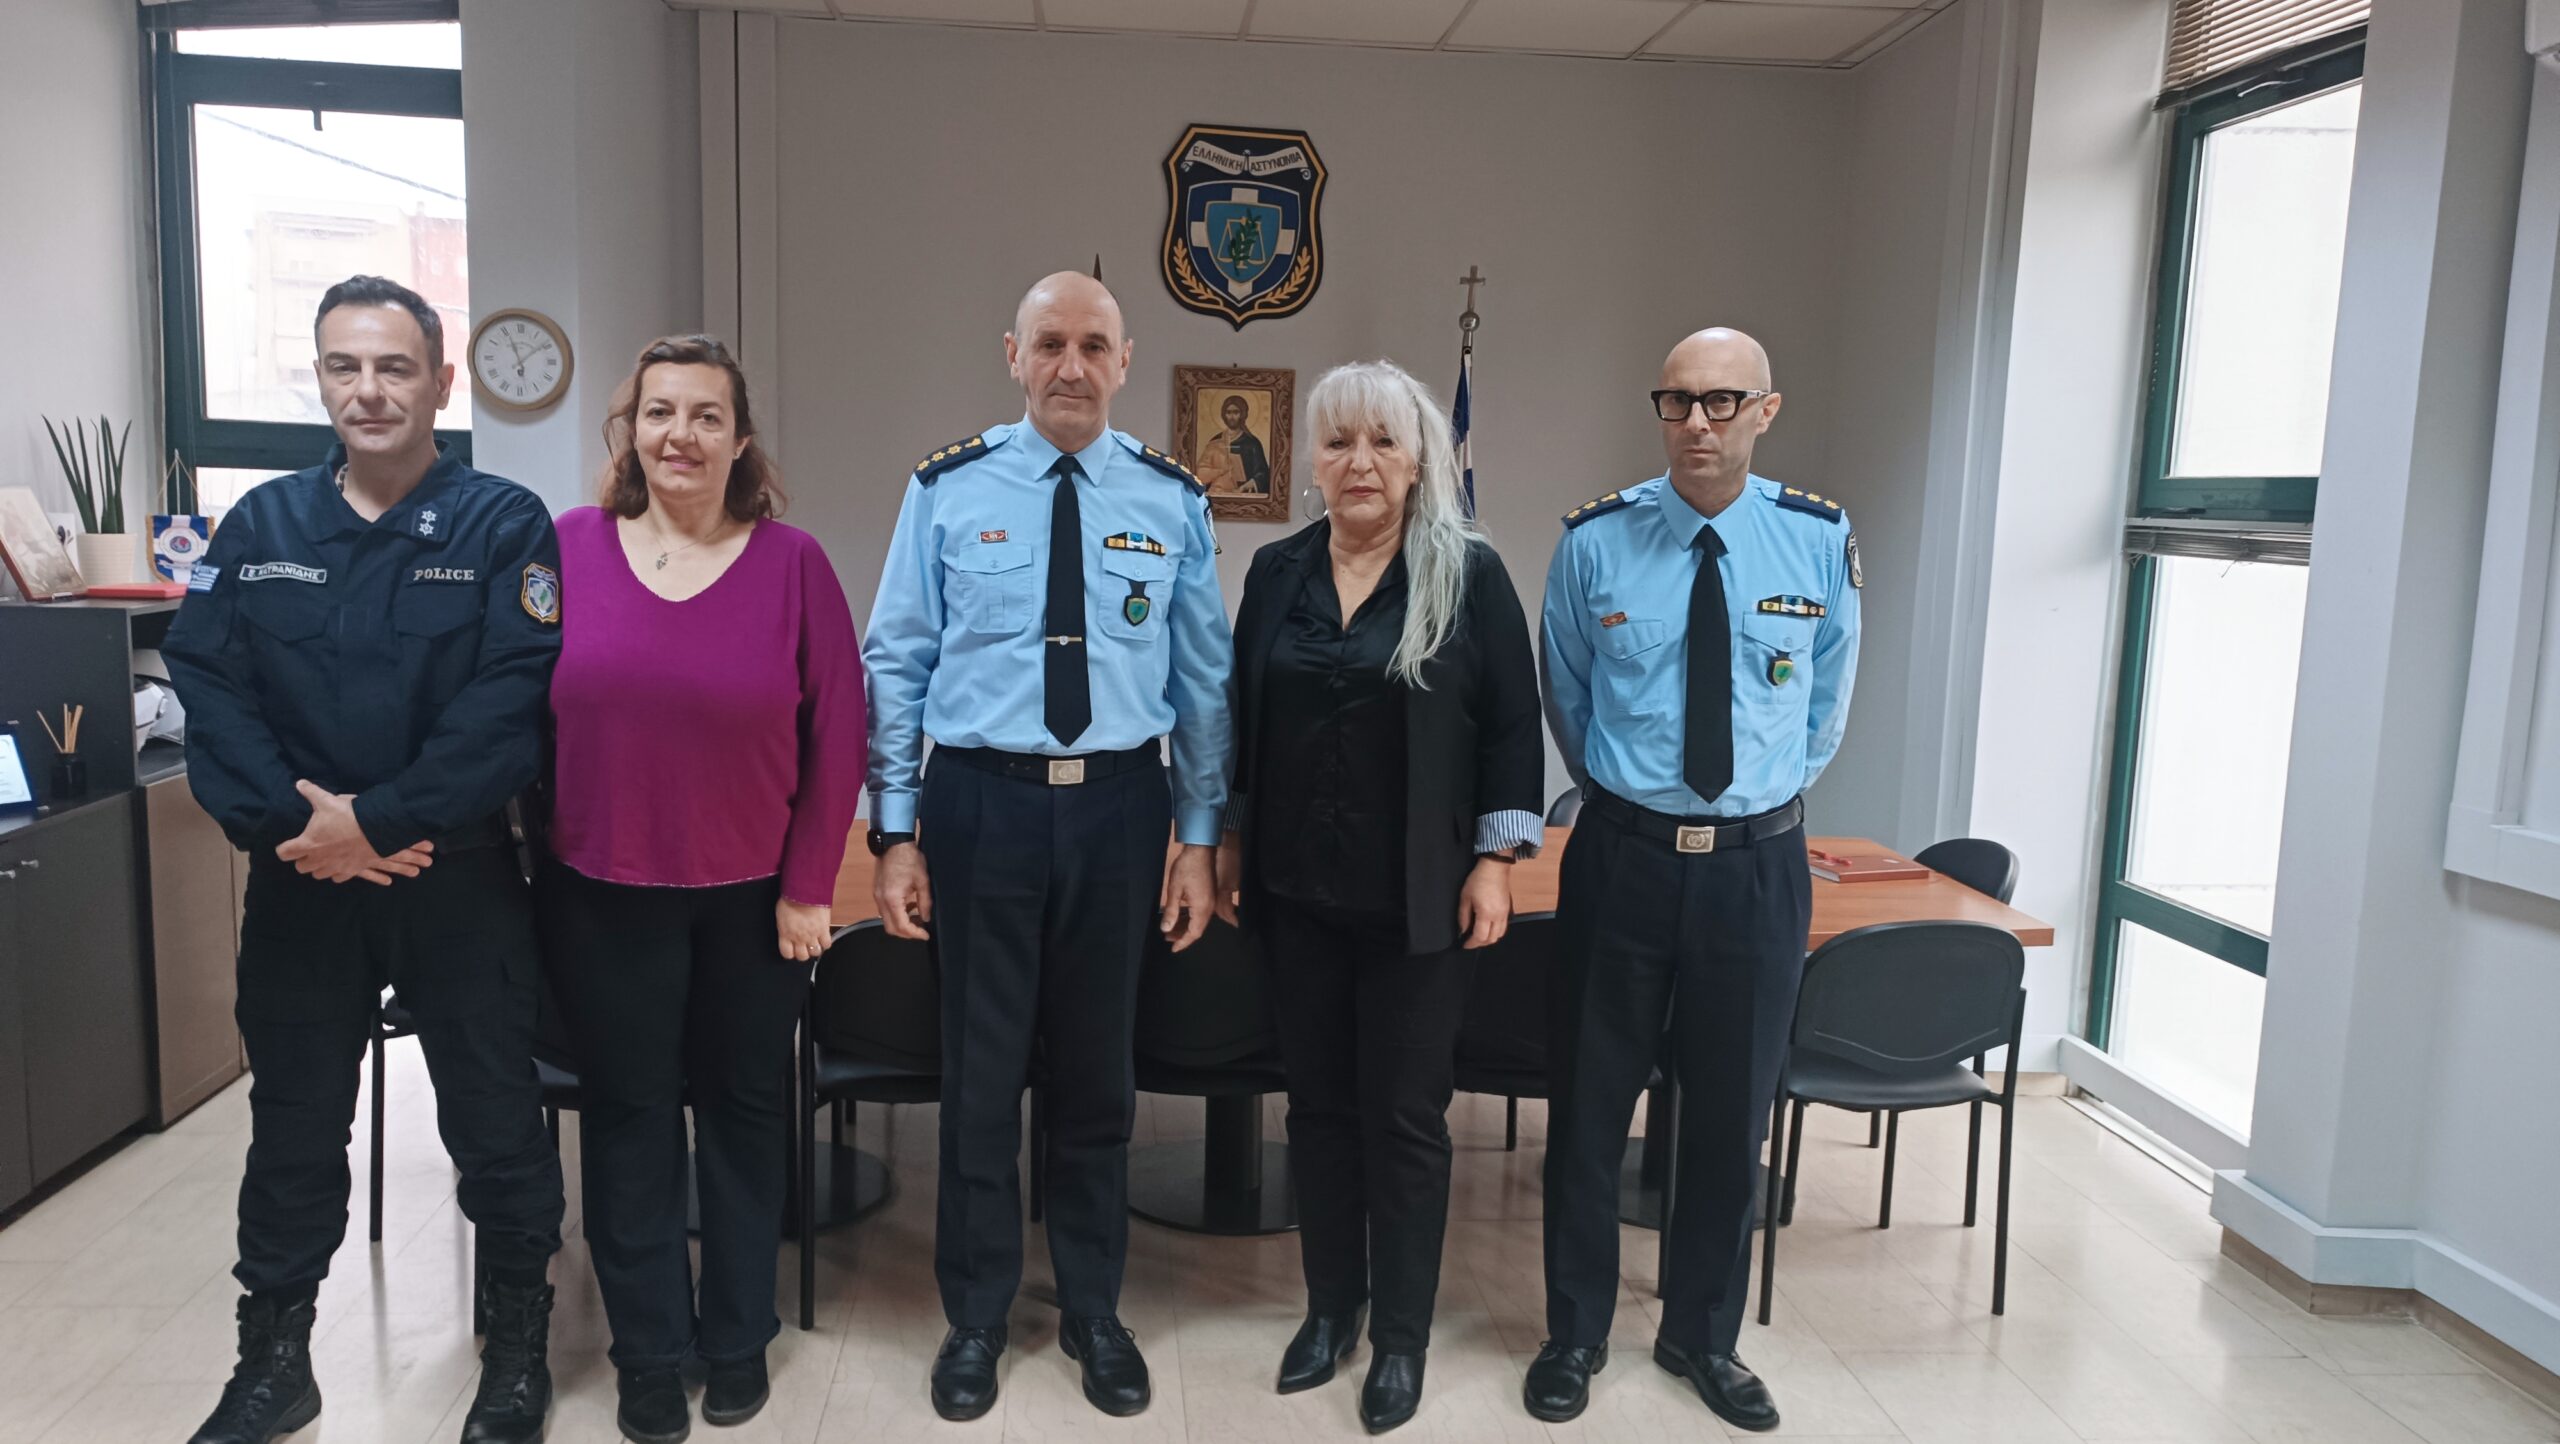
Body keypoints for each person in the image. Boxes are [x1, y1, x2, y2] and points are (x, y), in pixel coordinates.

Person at [162, 275, 565, 1444]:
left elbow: (508, 707)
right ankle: (274, 1359)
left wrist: (377, 823)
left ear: (441, 382)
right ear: (321, 378)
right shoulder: (261, 527)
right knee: (294, 1123)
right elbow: (209, 686)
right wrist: (301, 832)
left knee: (495, 1118)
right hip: (300, 883)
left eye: (394, 366)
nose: (369, 389)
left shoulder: (503, 524)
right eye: (345, 366)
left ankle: (517, 1349)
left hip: (457, 878)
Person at [862, 271, 1234, 1422]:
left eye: (1093, 345)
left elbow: (1203, 681)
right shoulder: (946, 488)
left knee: (1095, 1074)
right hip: (981, 802)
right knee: (979, 1078)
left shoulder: (1171, 498)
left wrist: (1198, 834)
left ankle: (1092, 1308)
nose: (1072, 366)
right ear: (1012, 355)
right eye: (1050, 343)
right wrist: (893, 830)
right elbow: (895, 661)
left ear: (1125, 362)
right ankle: (976, 1315)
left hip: (1121, 805)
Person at [1527, 328, 1860, 1434]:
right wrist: (1636, 806)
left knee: (1729, 1116)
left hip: (1756, 869)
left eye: (1723, 402)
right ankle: (1575, 1332)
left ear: (1767, 410)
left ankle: (1701, 1337)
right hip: (1621, 858)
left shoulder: (1816, 540)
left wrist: (1751, 806)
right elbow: (1568, 698)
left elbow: (1823, 707)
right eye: (1677, 402)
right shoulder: (1595, 543)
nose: (1698, 423)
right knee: (1588, 1108)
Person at [533, 335, 865, 1443]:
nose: (681, 434)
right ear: (630, 430)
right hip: (599, 892)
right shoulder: (566, 549)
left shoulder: (794, 564)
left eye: (706, 415)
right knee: (626, 1118)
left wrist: (810, 885)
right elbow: (515, 709)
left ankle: (734, 1338)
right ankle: (647, 1352)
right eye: (660, 412)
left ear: (741, 439)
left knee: (743, 1116)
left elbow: (839, 733)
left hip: (754, 903)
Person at [1211, 360, 1542, 1432]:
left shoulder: (1468, 573)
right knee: (1316, 1112)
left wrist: (1495, 860)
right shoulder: (1277, 571)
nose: (1360, 462)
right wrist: (1225, 840)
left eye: (1383, 442)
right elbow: (1240, 718)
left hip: (1418, 905)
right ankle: (1329, 1309)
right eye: (1339, 441)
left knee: (1403, 1120)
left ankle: (1400, 1336)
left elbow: (1510, 727)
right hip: (1296, 894)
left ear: (1417, 459)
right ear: (1310, 460)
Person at [1195, 393, 1271, 494]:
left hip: (1243, 494)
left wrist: (1250, 484)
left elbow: (1263, 474)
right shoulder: (1215, 441)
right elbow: (1201, 473)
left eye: (1236, 412)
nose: (1231, 417)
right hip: (1217, 493)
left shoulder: (1252, 443)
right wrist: (1220, 471)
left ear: (1242, 414)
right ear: (1224, 415)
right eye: (1228, 412)